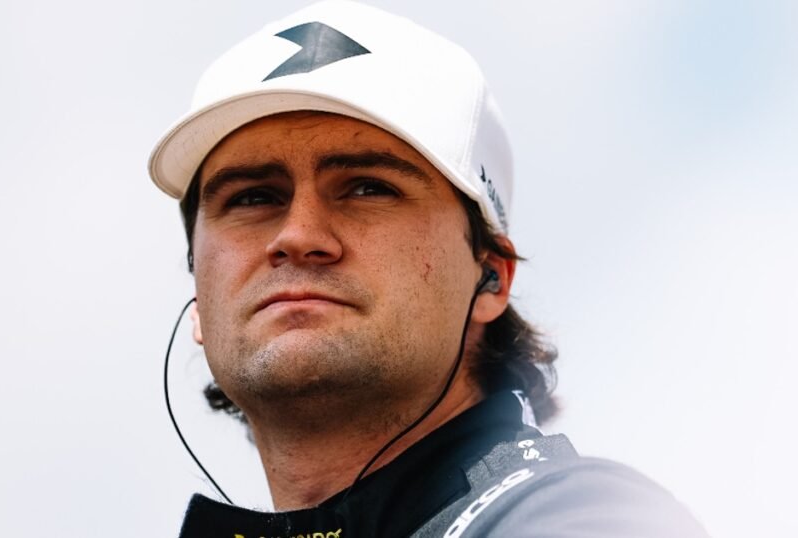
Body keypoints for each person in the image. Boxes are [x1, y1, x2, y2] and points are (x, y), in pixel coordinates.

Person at [149, 2, 708, 536]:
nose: (298, 236)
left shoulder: (583, 514)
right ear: (199, 299)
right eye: (252, 197)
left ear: (491, 278)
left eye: (368, 188)